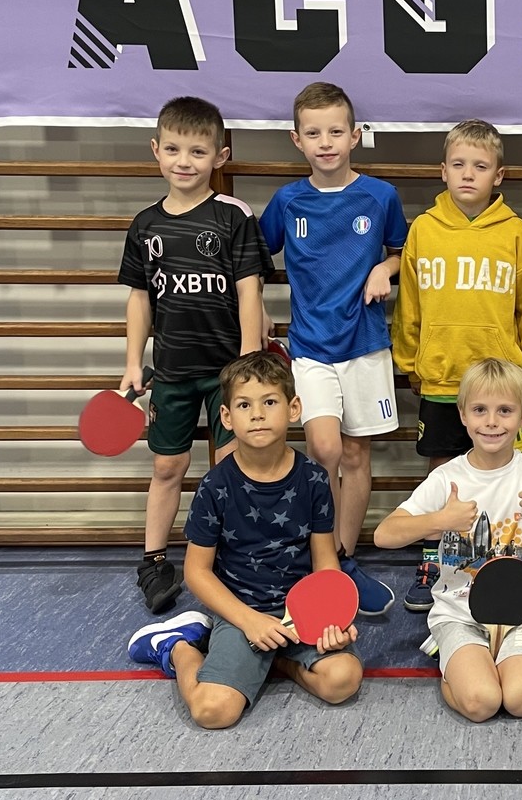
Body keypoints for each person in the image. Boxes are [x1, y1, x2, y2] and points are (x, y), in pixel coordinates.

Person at [126, 352, 362, 727]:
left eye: (269, 402)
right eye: (244, 405)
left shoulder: (314, 479)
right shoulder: (215, 486)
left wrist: (332, 619)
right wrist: (249, 621)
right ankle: (178, 647)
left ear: (294, 408)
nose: (257, 414)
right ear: (226, 417)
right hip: (240, 612)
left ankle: (276, 660)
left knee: (343, 680)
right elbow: (197, 572)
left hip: (300, 615)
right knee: (213, 711)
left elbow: (325, 562)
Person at [373, 358, 522, 722]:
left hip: (519, 616)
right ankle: (453, 664)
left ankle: (517, 662)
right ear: (463, 415)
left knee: (521, 701)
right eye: (480, 410)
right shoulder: (447, 478)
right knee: (482, 703)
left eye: (504, 411)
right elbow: (383, 535)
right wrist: (438, 520)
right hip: (458, 615)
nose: (492, 421)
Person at [259, 83, 408, 616]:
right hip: (311, 347)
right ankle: (324, 557)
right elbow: (252, 259)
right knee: (324, 450)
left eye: (336, 132)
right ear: (297, 140)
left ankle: (344, 559)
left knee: (355, 454)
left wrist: (384, 267)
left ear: (355, 136)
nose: (326, 142)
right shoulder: (287, 201)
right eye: (314, 133)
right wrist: (257, 315)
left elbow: (403, 253)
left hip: (365, 345)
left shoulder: (380, 196)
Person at [118, 96, 267, 613]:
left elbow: (250, 291)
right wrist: (133, 362)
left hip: (228, 373)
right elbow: (140, 299)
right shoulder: (144, 226)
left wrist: (249, 362)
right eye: (174, 149)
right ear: (156, 150)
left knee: (233, 466)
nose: (184, 161)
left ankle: (236, 558)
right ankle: (154, 560)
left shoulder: (233, 217)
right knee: (167, 466)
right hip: (173, 373)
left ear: (219, 157)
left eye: (198, 151)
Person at [391, 120, 522, 614]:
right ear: (443, 171)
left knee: (508, 471)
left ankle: (505, 557)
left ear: (499, 175)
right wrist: (409, 358)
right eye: (458, 165)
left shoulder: (514, 232)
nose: (468, 174)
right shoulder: (424, 229)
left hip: (500, 381)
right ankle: (435, 560)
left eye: (480, 166)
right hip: (441, 375)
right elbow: (409, 302)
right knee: (443, 471)